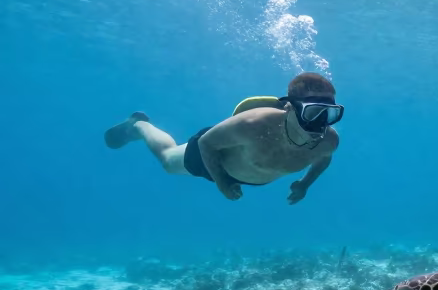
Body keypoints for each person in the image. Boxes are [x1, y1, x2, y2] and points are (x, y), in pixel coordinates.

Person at [104, 73, 342, 203]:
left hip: (250, 171)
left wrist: (304, 184)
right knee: (167, 161)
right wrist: (221, 182)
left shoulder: (328, 141)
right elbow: (207, 142)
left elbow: (323, 157)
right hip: (216, 156)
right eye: (313, 113)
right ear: (289, 108)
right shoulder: (253, 124)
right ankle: (140, 125)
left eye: (330, 114)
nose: (320, 123)